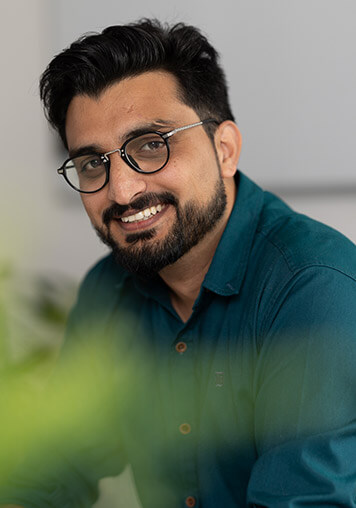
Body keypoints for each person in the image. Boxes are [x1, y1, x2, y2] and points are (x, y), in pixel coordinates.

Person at [2, 18, 356, 508]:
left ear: (225, 149)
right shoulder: (107, 292)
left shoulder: (313, 287)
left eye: (151, 145)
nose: (122, 190)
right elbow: (52, 475)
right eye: (92, 163)